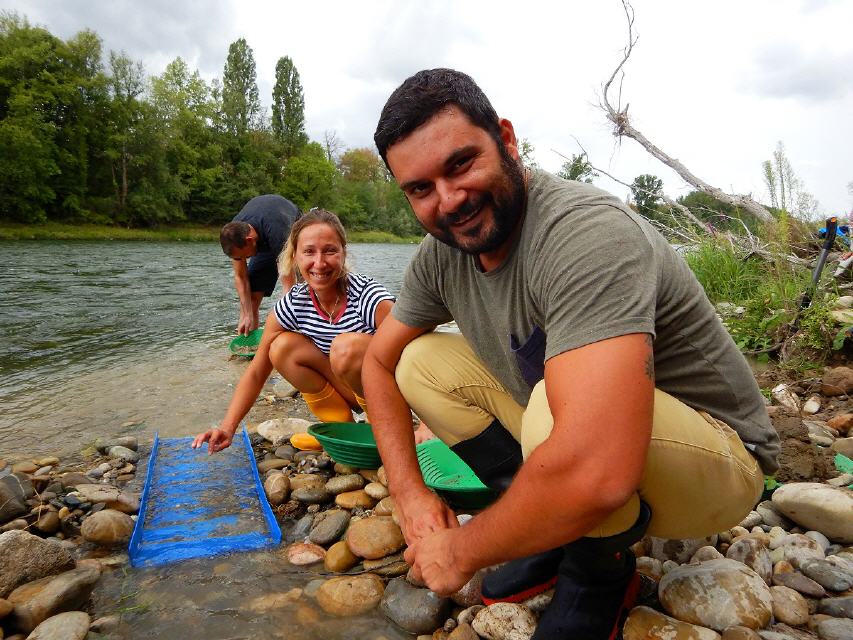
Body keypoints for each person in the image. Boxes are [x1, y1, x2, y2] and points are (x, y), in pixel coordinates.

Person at [362, 68, 780, 640]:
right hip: (591, 439)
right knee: (419, 362)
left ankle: (599, 569)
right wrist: (410, 493)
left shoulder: (585, 232)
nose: (450, 200)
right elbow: (377, 362)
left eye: (461, 164)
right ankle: (554, 529)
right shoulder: (442, 257)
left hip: (720, 462)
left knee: (556, 416)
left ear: (507, 139)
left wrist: (460, 550)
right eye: (420, 189)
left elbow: (595, 468)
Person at [194, 209, 395, 454]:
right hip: (347, 388)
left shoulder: (367, 295)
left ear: (343, 253)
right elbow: (257, 371)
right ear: (294, 256)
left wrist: (427, 425)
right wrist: (227, 428)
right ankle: (340, 428)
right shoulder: (294, 303)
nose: (319, 263)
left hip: (385, 393)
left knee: (346, 348)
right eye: (309, 252)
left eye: (330, 250)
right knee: (280, 347)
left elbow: (416, 355)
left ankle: (384, 425)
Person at [220, 194, 301, 335]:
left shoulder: (278, 231)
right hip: (263, 239)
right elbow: (241, 277)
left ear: (250, 240)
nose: (244, 260)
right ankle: (249, 341)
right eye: (240, 258)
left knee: (300, 291)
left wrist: (281, 319)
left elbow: (288, 284)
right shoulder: (234, 234)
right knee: (251, 298)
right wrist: (246, 314)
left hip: (292, 229)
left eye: (245, 256)